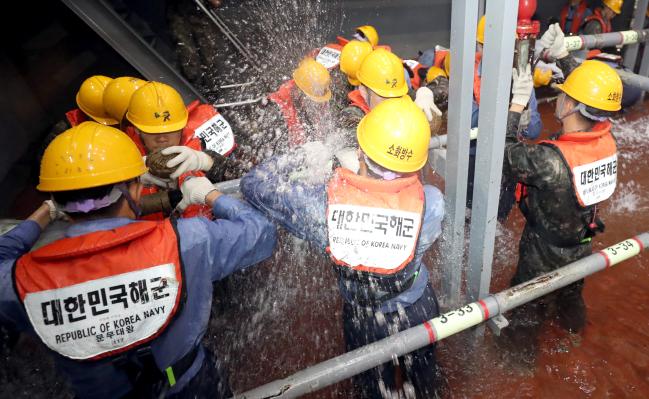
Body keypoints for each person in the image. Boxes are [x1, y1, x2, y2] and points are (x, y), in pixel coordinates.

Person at [0, 121, 276, 398]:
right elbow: (261, 232)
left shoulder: (23, 280)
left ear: (58, 200)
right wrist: (209, 194)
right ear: (134, 191)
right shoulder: (188, 241)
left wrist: (44, 213)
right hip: (191, 387)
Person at [241, 97, 444, 398]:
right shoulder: (432, 201)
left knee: (370, 384)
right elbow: (404, 188)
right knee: (426, 374)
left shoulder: (323, 206)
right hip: (418, 306)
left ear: (360, 152)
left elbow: (254, 185)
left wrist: (303, 156)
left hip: (365, 317)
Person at [501, 23, 621, 360]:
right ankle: (575, 336)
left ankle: (520, 363)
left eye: (564, 93)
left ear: (567, 106)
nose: (560, 95)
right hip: (582, 243)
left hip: (542, 251)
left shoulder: (549, 161)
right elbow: (593, 95)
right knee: (571, 293)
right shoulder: (609, 142)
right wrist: (565, 58)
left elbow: (506, 153)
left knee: (525, 307)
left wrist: (517, 104)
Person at [125, 81, 236, 219]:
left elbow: (244, 177)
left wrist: (207, 162)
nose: (162, 138)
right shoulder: (121, 161)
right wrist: (128, 179)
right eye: (152, 131)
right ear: (137, 129)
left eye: (171, 130)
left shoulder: (199, 150)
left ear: (183, 126)